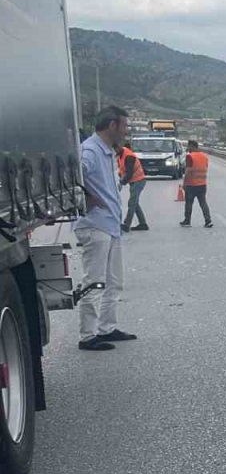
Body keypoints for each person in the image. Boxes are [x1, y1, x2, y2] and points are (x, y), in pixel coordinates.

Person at [74, 106, 138, 351]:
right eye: (124, 125)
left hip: (111, 225)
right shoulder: (90, 150)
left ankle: (107, 328)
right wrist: (87, 198)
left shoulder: (108, 151)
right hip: (95, 225)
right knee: (95, 281)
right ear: (112, 125)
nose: (126, 130)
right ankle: (88, 335)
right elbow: (73, 177)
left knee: (114, 281)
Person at [180, 140, 213, 228]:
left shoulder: (190, 156)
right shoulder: (204, 156)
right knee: (203, 203)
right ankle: (208, 220)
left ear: (192, 146)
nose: (187, 148)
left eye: (188, 146)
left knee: (189, 203)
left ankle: (187, 221)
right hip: (202, 184)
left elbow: (188, 171)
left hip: (191, 184)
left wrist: (184, 184)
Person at [117, 143, 148, 232]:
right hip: (134, 181)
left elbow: (129, 173)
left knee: (132, 203)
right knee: (135, 203)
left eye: (114, 149)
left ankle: (127, 225)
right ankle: (143, 224)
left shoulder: (129, 156)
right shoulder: (120, 155)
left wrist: (121, 183)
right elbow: (122, 170)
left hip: (139, 180)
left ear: (119, 147)